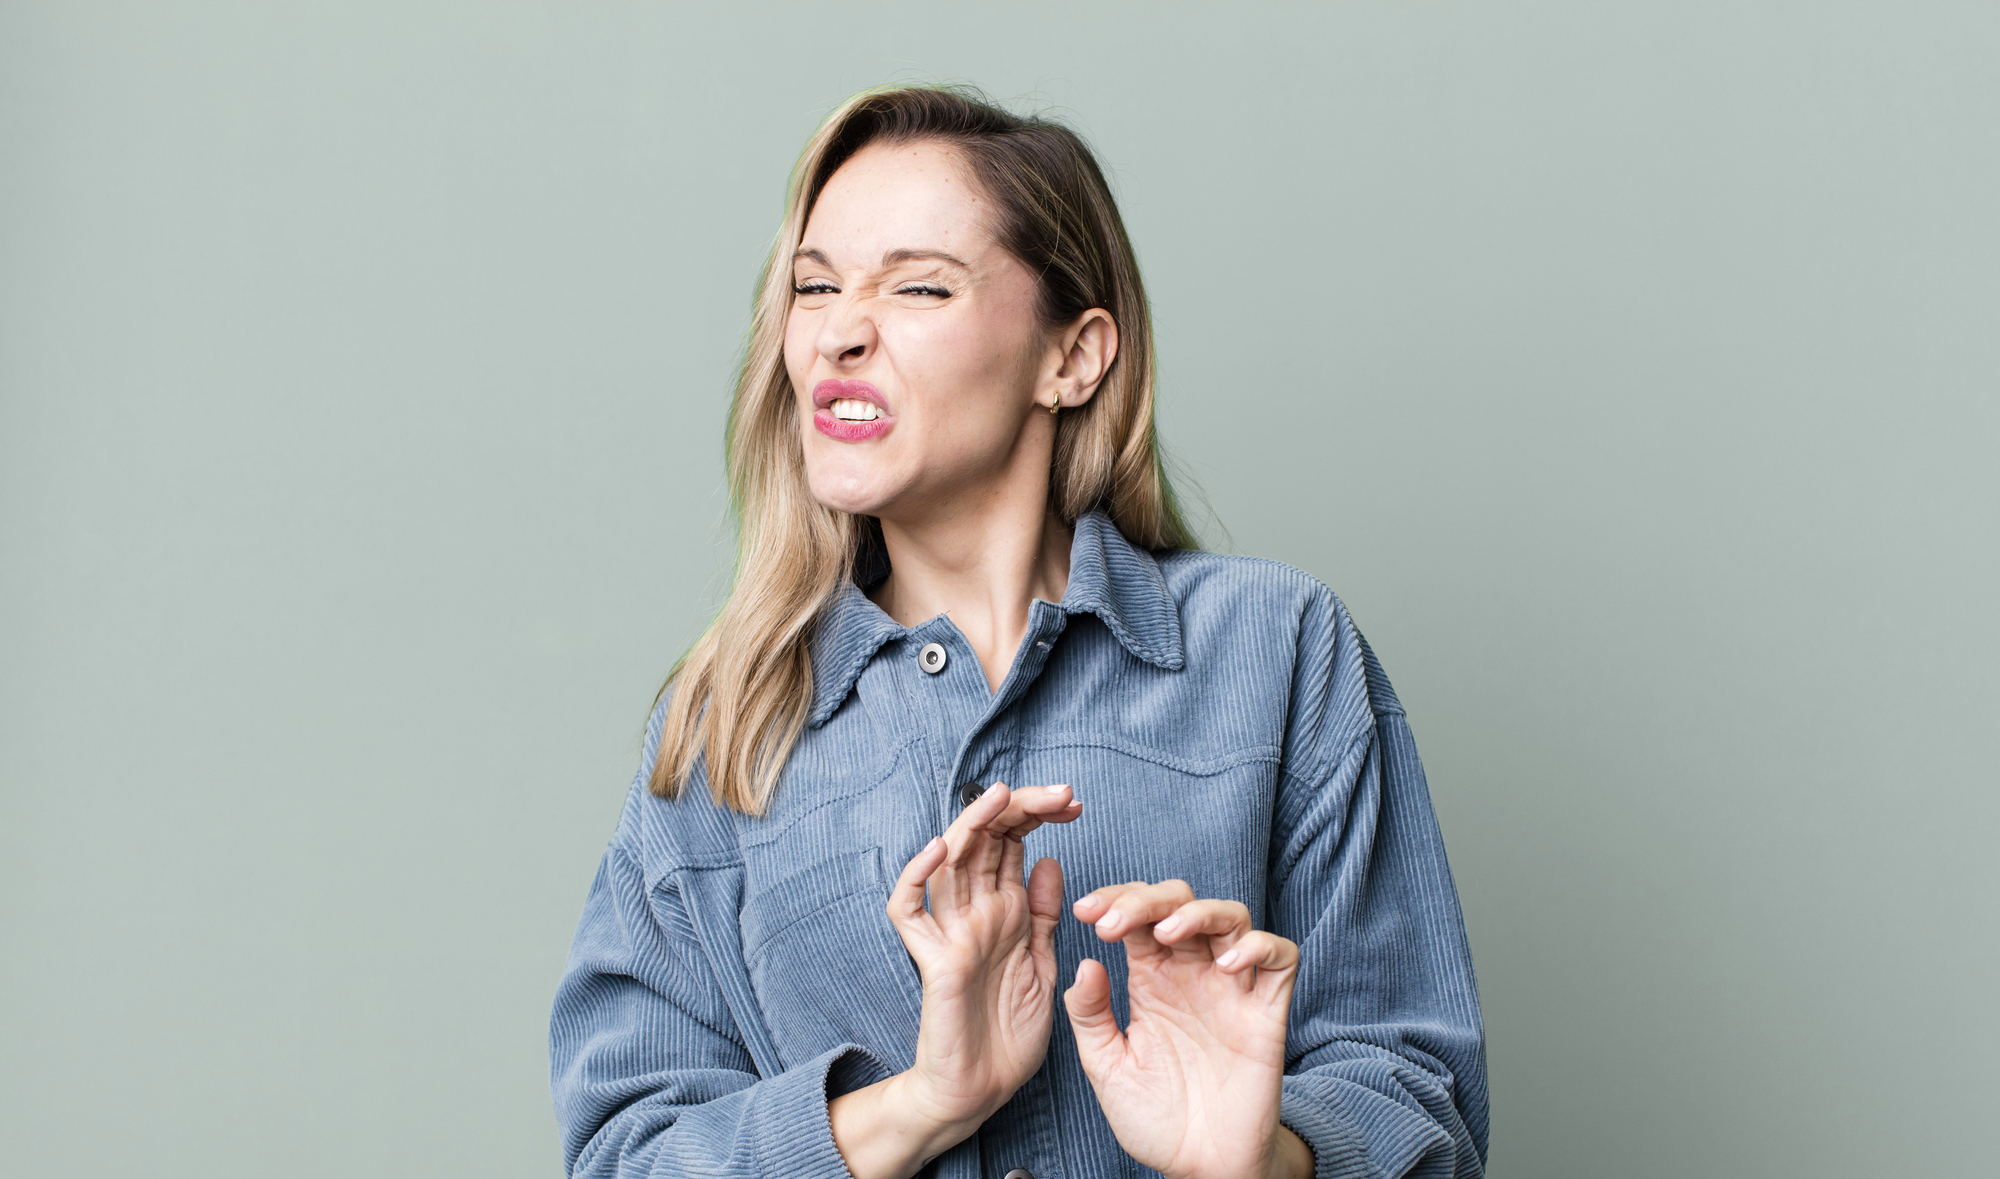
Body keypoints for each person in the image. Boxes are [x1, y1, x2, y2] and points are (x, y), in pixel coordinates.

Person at [549, 85, 1487, 1179]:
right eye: (811, 288)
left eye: (917, 286)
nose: (838, 332)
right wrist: (921, 1103)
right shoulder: (728, 724)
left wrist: (1256, 1161)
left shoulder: (1275, 650)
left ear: (1072, 358)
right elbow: (626, 1152)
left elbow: (1421, 1103)